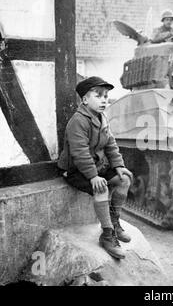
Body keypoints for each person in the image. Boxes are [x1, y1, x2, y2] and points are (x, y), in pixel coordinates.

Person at [57, 76, 133, 260]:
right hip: (75, 169)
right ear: (84, 100)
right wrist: (93, 176)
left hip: (96, 167)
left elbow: (111, 144)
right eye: (98, 96)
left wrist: (119, 165)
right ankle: (107, 236)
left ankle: (114, 223)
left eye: (106, 96)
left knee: (124, 180)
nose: (104, 99)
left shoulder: (102, 117)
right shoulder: (78, 121)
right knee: (101, 188)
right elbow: (80, 152)